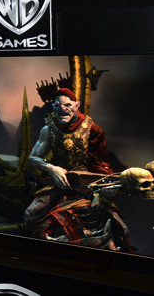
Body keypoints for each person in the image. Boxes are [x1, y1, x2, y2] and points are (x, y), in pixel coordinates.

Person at [23, 88, 112, 235]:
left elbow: (101, 164)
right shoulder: (48, 129)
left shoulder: (93, 130)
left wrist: (102, 184)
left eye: (67, 105)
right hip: (56, 184)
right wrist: (52, 169)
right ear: (53, 108)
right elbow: (32, 158)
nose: (62, 109)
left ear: (77, 105)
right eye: (57, 106)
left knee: (94, 220)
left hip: (85, 187)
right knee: (30, 214)